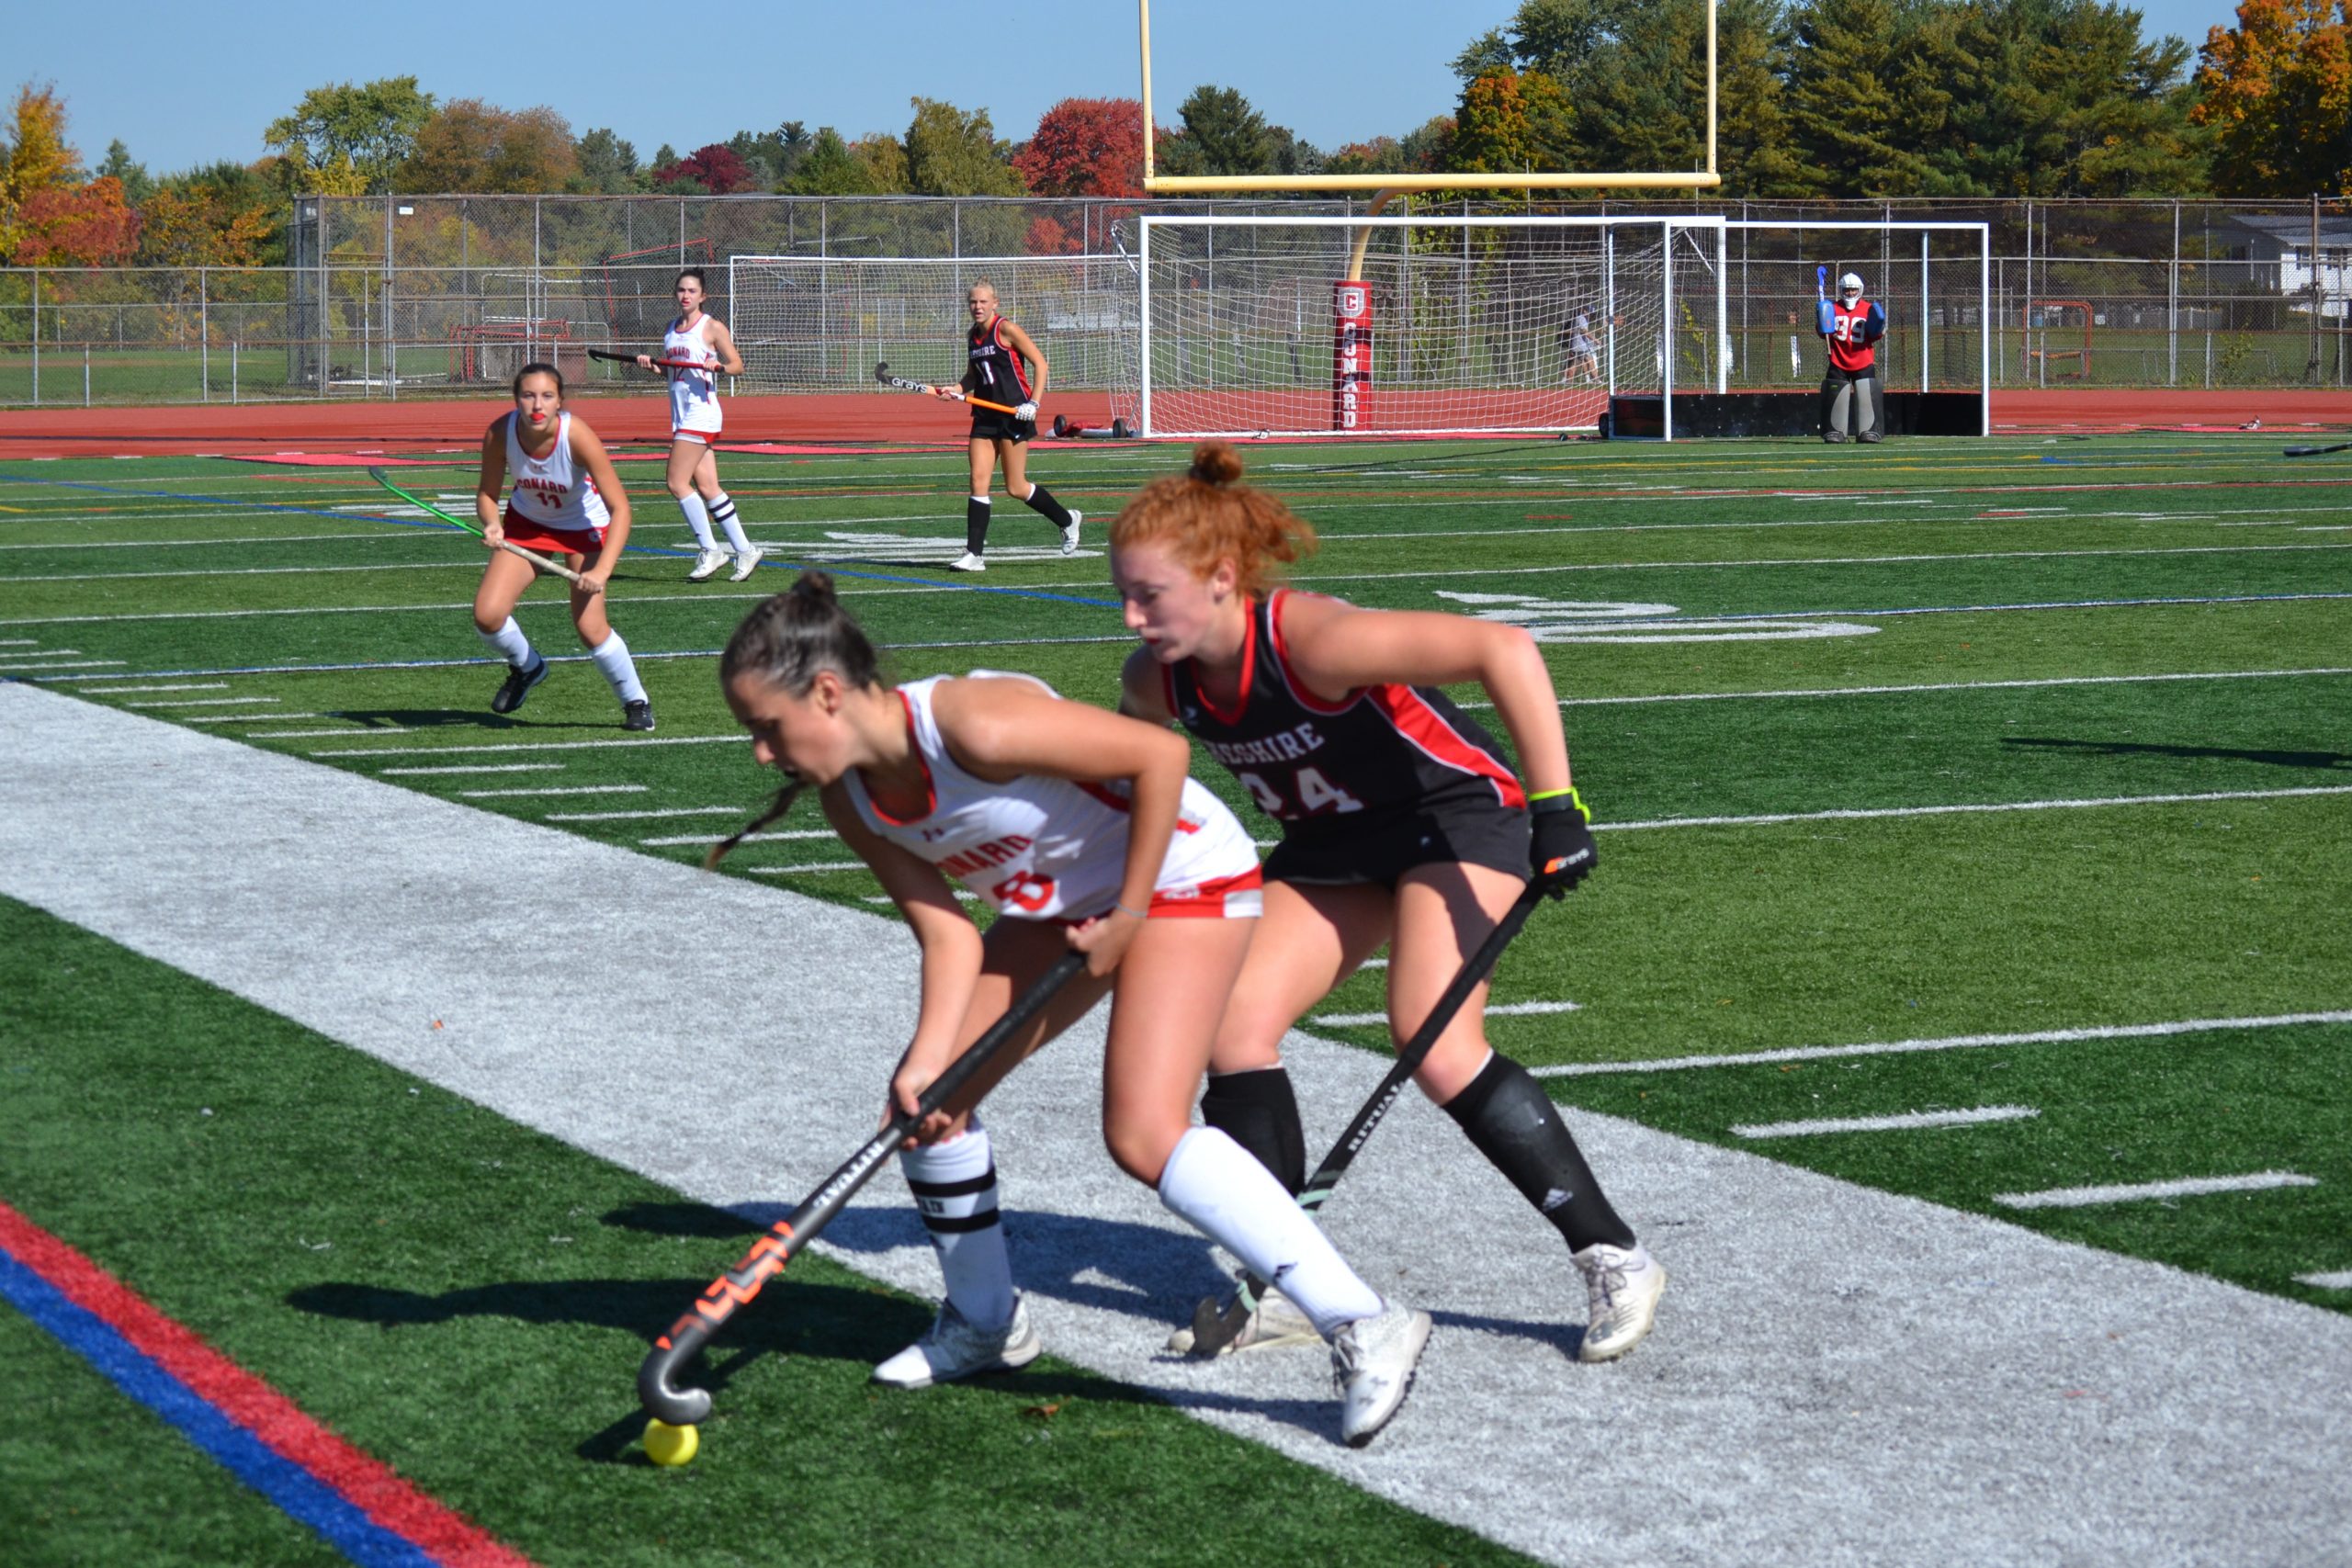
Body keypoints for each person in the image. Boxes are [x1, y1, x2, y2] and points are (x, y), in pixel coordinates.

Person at [712, 573, 1431, 1449]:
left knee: (1143, 1131)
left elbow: (1158, 757)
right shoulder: (850, 796)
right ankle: (986, 1325)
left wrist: (1128, 917)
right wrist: (924, 1061)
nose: (759, 753)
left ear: (827, 692)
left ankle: (1363, 1318)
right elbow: (948, 937)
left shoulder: (971, 723)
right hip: (1063, 906)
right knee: (935, 1112)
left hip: (1178, 874)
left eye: (766, 727)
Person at [1109, 443, 1665, 1364]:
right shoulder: (1153, 680)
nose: (1131, 617)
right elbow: (1139, 778)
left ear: (1218, 578)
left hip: (1452, 820)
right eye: (1124, 594)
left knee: (1433, 1036)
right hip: (1336, 846)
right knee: (1230, 1027)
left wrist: (1555, 805)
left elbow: (1504, 648)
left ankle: (1614, 1254)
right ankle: (1282, 1280)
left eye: (1148, 596)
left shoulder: (1313, 641)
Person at [470, 362, 654, 731]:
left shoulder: (577, 435)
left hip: (581, 528)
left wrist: (602, 571)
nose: (537, 406)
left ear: (560, 402)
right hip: (527, 524)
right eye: (528, 396)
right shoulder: (500, 432)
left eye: (547, 396)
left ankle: (636, 702)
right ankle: (528, 668)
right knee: (487, 615)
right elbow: (487, 494)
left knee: (590, 628)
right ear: (515, 399)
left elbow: (621, 509)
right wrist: (492, 523)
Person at [926, 281, 1081, 573]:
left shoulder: (1006, 329)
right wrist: (955, 389)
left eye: (983, 302)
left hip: (1015, 416)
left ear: (995, 303)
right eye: (973, 302)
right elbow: (973, 377)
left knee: (1016, 487)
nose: (978, 307)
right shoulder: (972, 336)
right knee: (977, 480)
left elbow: (1040, 364)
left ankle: (1067, 520)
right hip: (984, 416)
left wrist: (1033, 404)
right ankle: (974, 554)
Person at [636, 267, 758, 582]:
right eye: (681, 290)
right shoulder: (671, 329)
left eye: (692, 290)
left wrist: (718, 365)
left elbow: (738, 365)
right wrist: (654, 367)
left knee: (676, 483)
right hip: (680, 415)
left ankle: (710, 549)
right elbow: (674, 373)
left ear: (702, 296)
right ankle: (746, 550)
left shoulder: (712, 327)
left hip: (701, 412)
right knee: (707, 487)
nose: (685, 295)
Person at [1818, 272, 1887, 444]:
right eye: (1847, 290)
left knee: (1866, 396)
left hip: (1863, 361)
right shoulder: (1832, 308)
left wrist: (1879, 329)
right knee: (1835, 395)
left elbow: (1876, 334)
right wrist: (1821, 322)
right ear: (1842, 290)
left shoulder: (1868, 309)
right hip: (1838, 360)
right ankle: (1835, 430)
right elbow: (1823, 332)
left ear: (1860, 290)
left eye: (1853, 290)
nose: (1850, 293)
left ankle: (1869, 430)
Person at [1563, 312, 1600, 385]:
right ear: (1585, 311)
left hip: (1575, 345)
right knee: (1590, 361)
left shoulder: (1578, 318)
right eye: (1589, 312)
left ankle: (1568, 381)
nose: (1590, 315)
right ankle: (1597, 380)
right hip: (1581, 346)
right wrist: (1595, 340)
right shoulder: (1582, 319)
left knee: (1574, 364)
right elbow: (1584, 332)